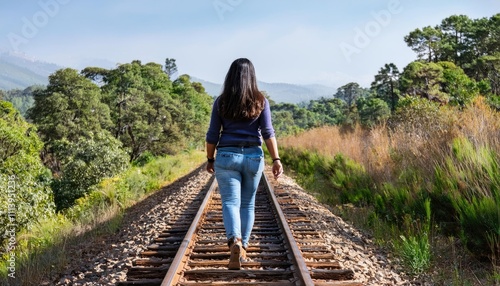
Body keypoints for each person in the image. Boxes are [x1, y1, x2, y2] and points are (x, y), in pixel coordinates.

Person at [205, 58, 283, 270]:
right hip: (253, 158)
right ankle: (244, 248)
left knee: (230, 202)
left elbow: (212, 135)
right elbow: (268, 132)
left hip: (227, 156)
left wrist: (210, 159)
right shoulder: (260, 101)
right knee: (247, 204)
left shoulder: (221, 101)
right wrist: (276, 159)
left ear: (230, 76)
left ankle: (235, 242)